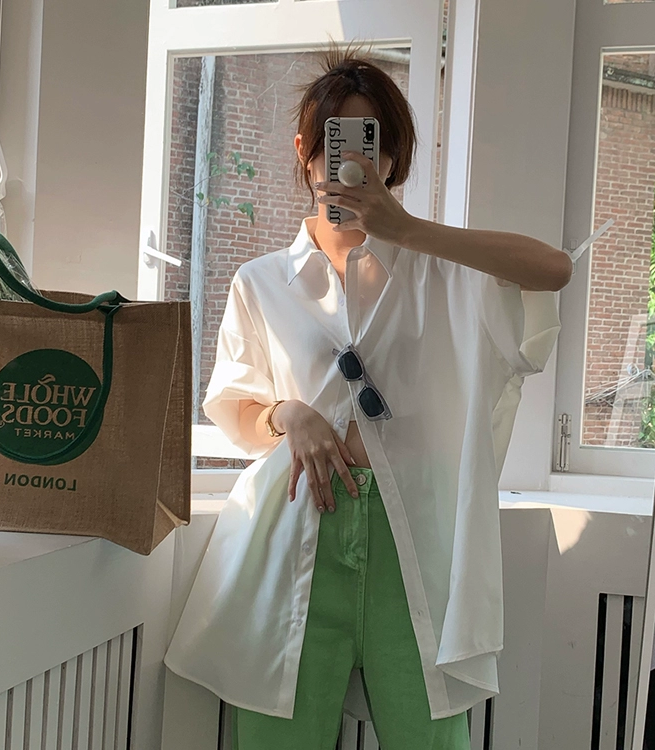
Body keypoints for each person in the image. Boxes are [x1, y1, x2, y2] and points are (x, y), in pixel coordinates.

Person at [164, 44, 571, 750]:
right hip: (296, 529)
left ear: (392, 157)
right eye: (334, 143)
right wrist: (287, 414)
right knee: (279, 740)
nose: (350, 163)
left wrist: (405, 230)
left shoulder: (444, 273)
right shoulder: (262, 282)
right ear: (305, 151)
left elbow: (553, 269)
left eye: (370, 144)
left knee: (429, 737)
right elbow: (234, 408)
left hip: (413, 535)